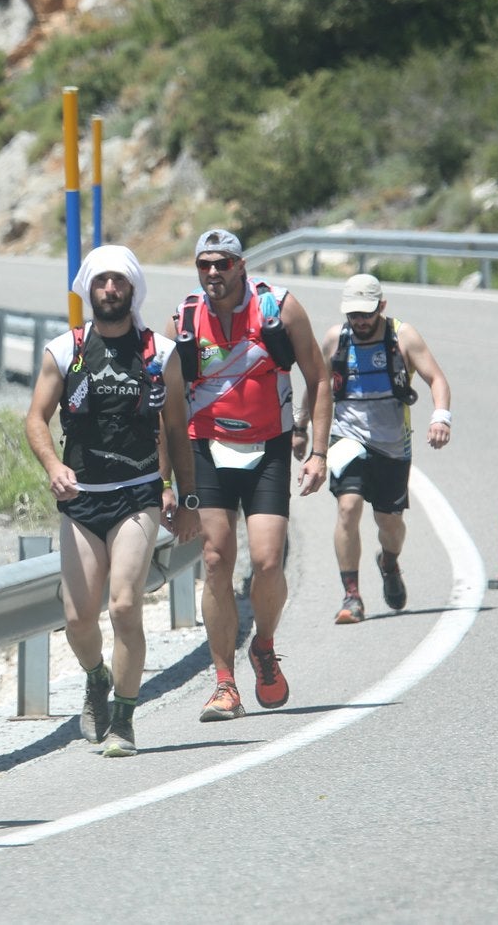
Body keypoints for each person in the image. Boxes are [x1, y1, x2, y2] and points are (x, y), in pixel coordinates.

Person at [25, 245, 201, 757]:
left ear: (132, 290)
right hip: (82, 500)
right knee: (79, 618)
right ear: (87, 289)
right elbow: (36, 418)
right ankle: (96, 678)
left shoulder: (160, 354)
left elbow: (176, 427)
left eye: (118, 282)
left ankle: (123, 720)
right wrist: (53, 467)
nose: (109, 289)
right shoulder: (65, 350)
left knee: (124, 605)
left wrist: (186, 498)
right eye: (100, 281)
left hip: (137, 495)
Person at [166, 228, 331, 721]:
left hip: (268, 448)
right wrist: (168, 481)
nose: (213, 273)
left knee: (266, 561)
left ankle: (262, 645)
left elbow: (318, 377)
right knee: (216, 561)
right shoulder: (186, 319)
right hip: (207, 446)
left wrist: (317, 450)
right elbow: (169, 404)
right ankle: (223, 684)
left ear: (242, 266)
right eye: (204, 264)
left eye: (223, 264)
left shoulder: (279, 309)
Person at [308, 274, 452, 624]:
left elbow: (437, 378)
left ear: (381, 307)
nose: (358, 321)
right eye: (353, 314)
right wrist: (302, 426)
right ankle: (352, 597)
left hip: (391, 444)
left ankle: (388, 561)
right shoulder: (335, 339)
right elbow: (319, 386)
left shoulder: (402, 336)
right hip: (346, 435)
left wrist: (440, 418)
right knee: (348, 507)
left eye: (366, 314)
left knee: (390, 523)